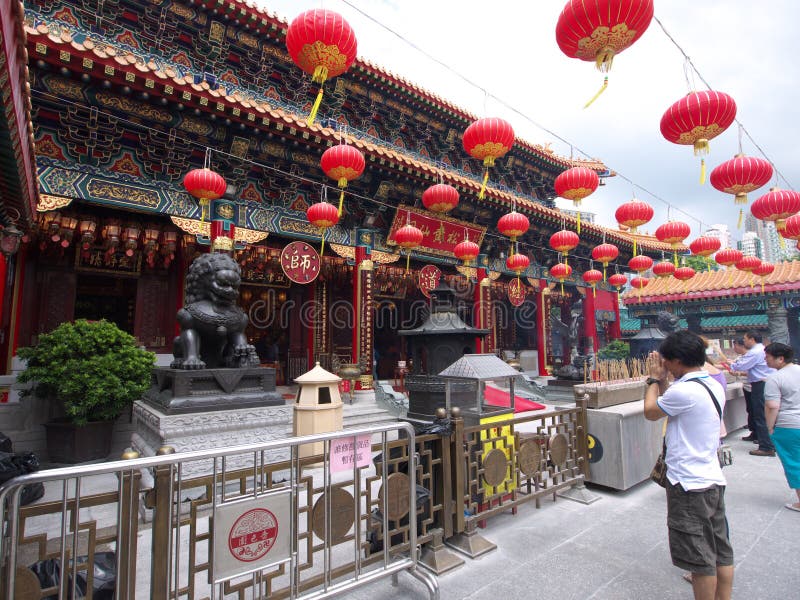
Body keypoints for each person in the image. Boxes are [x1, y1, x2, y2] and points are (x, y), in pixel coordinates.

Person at [644, 331, 733, 600]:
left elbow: (650, 411)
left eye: (667, 361)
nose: (665, 366)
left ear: (678, 360)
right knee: (720, 551)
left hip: (689, 483)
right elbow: (671, 403)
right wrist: (664, 382)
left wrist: (652, 380)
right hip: (711, 478)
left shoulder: (685, 390)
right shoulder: (711, 385)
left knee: (700, 559)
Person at [726, 331, 776, 456]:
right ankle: (768, 443)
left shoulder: (755, 352)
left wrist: (731, 364)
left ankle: (766, 446)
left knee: (760, 415)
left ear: (752, 339)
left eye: (745, 338)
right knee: (761, 414)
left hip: (760, 385)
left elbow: (742, 366)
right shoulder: (760, 350)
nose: (744, 341)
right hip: (762, 384)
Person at [763, 343, 800, 512]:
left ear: (780, 358)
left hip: (788, 425)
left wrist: (770, 427)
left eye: (768, 356)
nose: (765, 359)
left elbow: (772, 406)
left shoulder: (775, 378)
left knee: (794, 463)